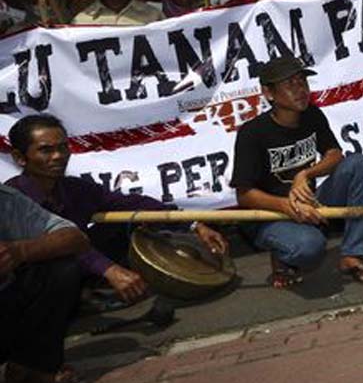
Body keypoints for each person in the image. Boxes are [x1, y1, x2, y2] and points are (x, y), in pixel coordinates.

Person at [6, 114, 228, 304]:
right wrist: (108, 269)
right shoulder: (9, 200)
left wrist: (193, 224)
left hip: (79, 267)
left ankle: (94, 290)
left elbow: (134, 204)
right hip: (34, 284)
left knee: (127, 227)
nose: (58, 156)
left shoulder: (75, 188)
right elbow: (63, 245)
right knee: (62, 263)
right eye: (46, 150)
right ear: (19, 158)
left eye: (63, 147)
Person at [230, 56, 363, 288]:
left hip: (311, 203)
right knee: (310, 247)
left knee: (359, 164)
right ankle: (282, 255)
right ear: (269, 93)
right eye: (290, 85)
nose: (300, 90)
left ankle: (353, 253)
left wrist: (306, 175)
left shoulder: (311, 114)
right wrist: (287, 206)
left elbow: (334, 153)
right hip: (271, 218)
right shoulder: (252, 133)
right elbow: (244, 194)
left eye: (302, 82)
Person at [1, 184, 88, 383]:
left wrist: (18, 252)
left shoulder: (6, 200)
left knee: (61, 268)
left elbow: (76, 238)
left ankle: (32, 364)